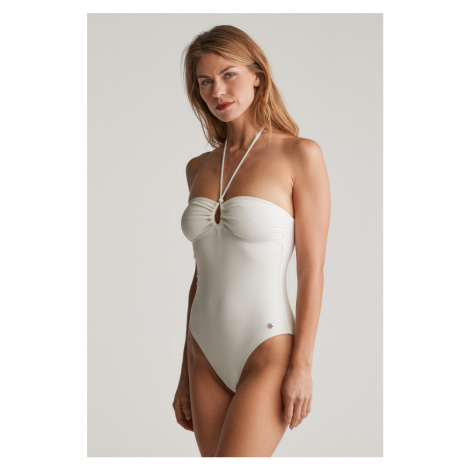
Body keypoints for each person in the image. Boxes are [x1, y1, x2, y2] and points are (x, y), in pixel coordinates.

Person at [173, 25, 330, 457]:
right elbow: (201, 276)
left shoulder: (299, 154)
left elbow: (311, 271)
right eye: (205, 82)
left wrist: (302, 366)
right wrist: (184, 374)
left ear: (257, 75)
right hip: (202, 353)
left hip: (267, 349)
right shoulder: (198, 168)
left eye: (229, 75)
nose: (218, 91)